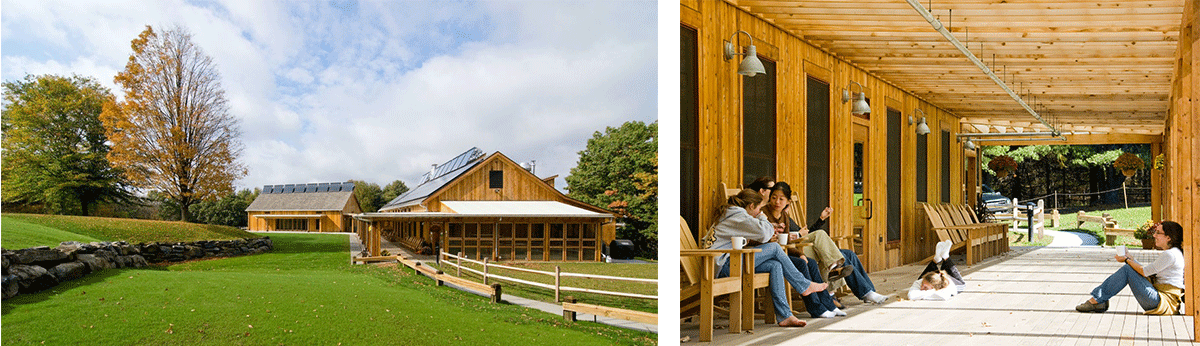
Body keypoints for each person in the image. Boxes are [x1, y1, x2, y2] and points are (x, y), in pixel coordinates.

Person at [707, 189, 829, 327]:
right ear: (752, 206)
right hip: (723, 267)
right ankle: (804, 285)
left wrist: (764, 226)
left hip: (726, 262)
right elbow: (765, 234)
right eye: (759, 209)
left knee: (775, 265)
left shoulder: (734, 214)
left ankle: (785, 316)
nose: (760, 212)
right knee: (775, 248)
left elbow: (760, 234)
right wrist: (762, 217)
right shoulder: (738, 216)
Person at [764, 182, 890, 305]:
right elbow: (798, 237)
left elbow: (808, 234)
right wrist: (798, 235)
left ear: (788, 202)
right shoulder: (765, 215)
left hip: (804, 244)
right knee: (826, 243)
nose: (777, 202)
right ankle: (858, 289)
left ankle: (868, 291)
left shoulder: (785, 216)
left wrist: (821, 219)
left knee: (848, 254)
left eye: (781, 199)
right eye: (774, 198)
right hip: (795, 250)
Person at [1076, 221, 1186, 314]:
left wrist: (1127, 260)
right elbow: (1147, 271)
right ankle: (1098, 300)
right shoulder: (1173, 253)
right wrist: (1130, 259)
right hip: (1161, 300)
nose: (1154, 235)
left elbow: (1144, 272)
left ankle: (1097, 301)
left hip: (1161, 302)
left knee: (1127, 269)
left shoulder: (1170, 254)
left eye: (1158, 233)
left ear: (1168, 237)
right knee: (1129, 268)